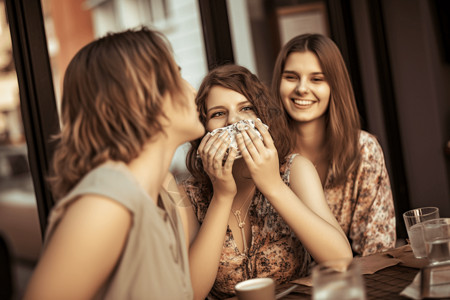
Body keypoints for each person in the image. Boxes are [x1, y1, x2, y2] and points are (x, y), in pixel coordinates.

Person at [24, 27, 204, 300]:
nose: (193, 90)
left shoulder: (160, 200)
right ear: (142, 96)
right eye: (177, 75)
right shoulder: (106, 204)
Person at [179, 64, 352, 300]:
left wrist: (273, 186)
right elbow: (191, 293)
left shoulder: (296, 170)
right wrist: (222, 195)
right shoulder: (186, 196)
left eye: (246, 108)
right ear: (203, 130)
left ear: (262, 118)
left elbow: (341, 261)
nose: (233, 121)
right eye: (218, 113)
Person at [271, 33, 396, 256]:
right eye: (291, 77)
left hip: (352, 281)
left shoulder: (363, 149)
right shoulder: (267, 154)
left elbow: (376, 248)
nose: (301, 88)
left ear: (334, 86)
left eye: (316, 79)